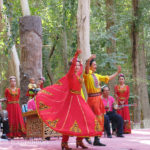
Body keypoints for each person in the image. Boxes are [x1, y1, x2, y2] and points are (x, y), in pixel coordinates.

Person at [35, 50, 103, 150]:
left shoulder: (79, 74)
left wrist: (86, 61)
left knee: (85, 120)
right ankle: (64, 143)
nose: (77, 67)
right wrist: (75, 56)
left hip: (79, 100)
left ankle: (79, 141)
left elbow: (84, 68)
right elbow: (73, 68)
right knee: (68, 122)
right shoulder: (70, 74)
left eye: (78, 65)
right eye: (75, 65)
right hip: (71, 101)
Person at [83, 54, 121, 146]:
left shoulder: (96, 75)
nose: (96, 66)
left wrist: (117, 73)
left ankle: (97, 139)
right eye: (94, 64)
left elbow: (107, 78)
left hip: (98, 100)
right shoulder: (87, 74)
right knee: (90, 119)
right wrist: (89, 59)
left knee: (100, 119)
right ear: (90, 66)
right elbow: (86, 68)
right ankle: (86, 135)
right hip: (92, 100)